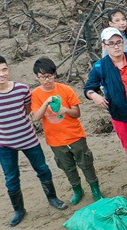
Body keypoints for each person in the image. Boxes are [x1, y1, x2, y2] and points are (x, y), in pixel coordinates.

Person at [0, 54, 66, 225]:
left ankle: (53, 198)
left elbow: (27, 109)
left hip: (28, 138)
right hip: (3, 144)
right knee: (11, 177)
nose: (1, 74)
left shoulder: (22, 89)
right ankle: (19, 209)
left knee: (42, 169)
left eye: (4, 69)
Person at [29, 58, 102, 205]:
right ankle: (77, 190)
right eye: (43, 77)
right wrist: (46, 103)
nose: (47, 80)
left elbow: (77, 113)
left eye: (50, 75)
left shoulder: (65, 89)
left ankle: (95, 189)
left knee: (86, 163)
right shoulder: (35, 94)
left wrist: (65, 110)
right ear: (37, 77)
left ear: (54, 74)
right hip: (55, 140)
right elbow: (36, 117)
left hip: (75, 135)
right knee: (67, 167)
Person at [84, 27, 127, 193]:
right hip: (120, 114)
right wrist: (93, 95)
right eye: (111, 43)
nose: (116, 46)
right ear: (104, 45)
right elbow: (89, 87)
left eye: (118, 42)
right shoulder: (100, 67)